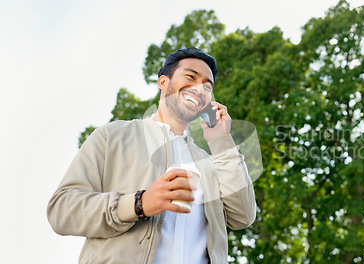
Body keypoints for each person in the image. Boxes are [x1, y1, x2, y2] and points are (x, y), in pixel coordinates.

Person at [47, 47, 257, 264]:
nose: (199, 88)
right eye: (191, 77)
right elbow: (61, 210)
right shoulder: (113, 136)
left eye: (207, 86)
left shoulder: (212, 163)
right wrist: (139, 204)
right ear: (163, 82)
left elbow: (243, 216)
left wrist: (221, 142)